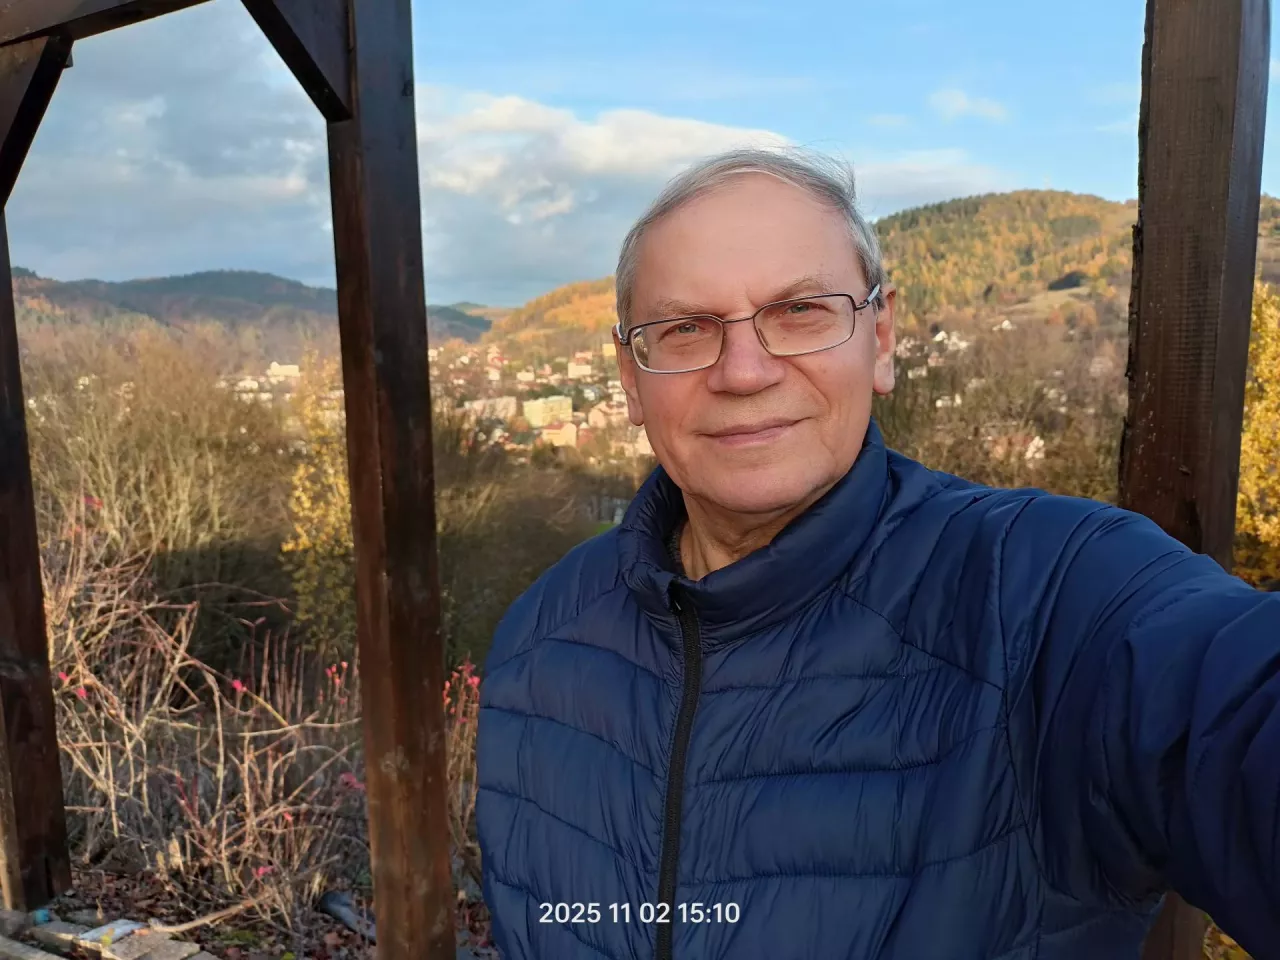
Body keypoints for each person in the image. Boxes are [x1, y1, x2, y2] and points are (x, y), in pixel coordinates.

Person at [475, 148, 1280, 960]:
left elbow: (1226, 702)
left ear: (881, 337)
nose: (744, 372)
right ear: (630, 375)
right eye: (685, 328)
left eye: (800, 311)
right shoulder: (540, 641)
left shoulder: (1047, 596)